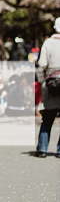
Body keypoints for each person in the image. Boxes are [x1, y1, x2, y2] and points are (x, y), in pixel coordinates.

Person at [34, 17, 60, 158]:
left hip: (52, 83)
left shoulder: (48, 43)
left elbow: (42, 63)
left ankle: (42, 149)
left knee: (48, 118)